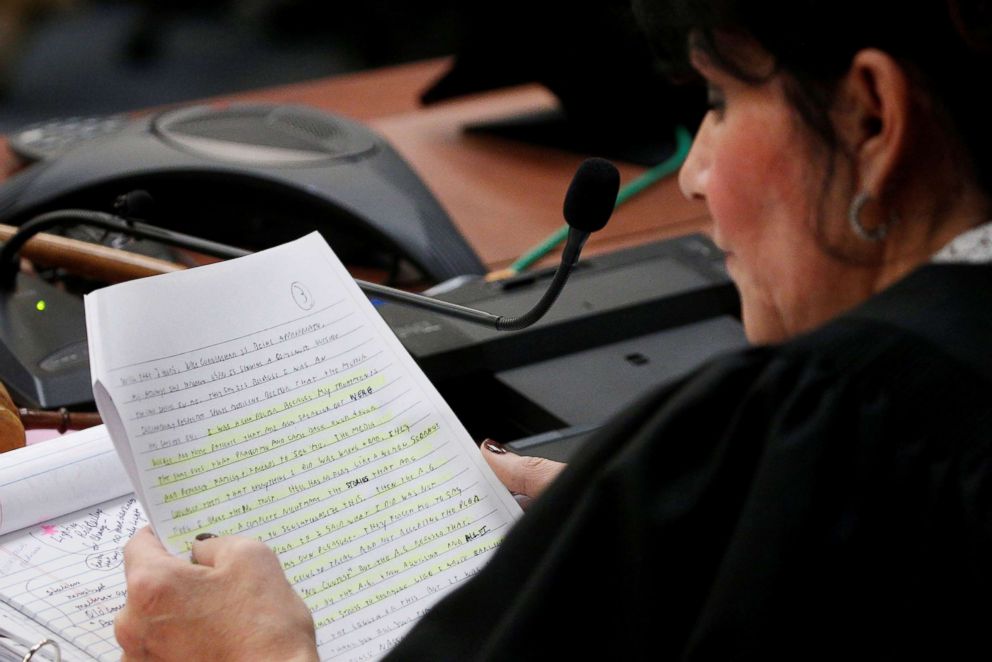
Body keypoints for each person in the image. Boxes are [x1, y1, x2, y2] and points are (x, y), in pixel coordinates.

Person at [113, 0, 992, 658]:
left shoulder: (827, 433)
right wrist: (666, 511)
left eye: (721, 101)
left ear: (873, 116)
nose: (694, 177)